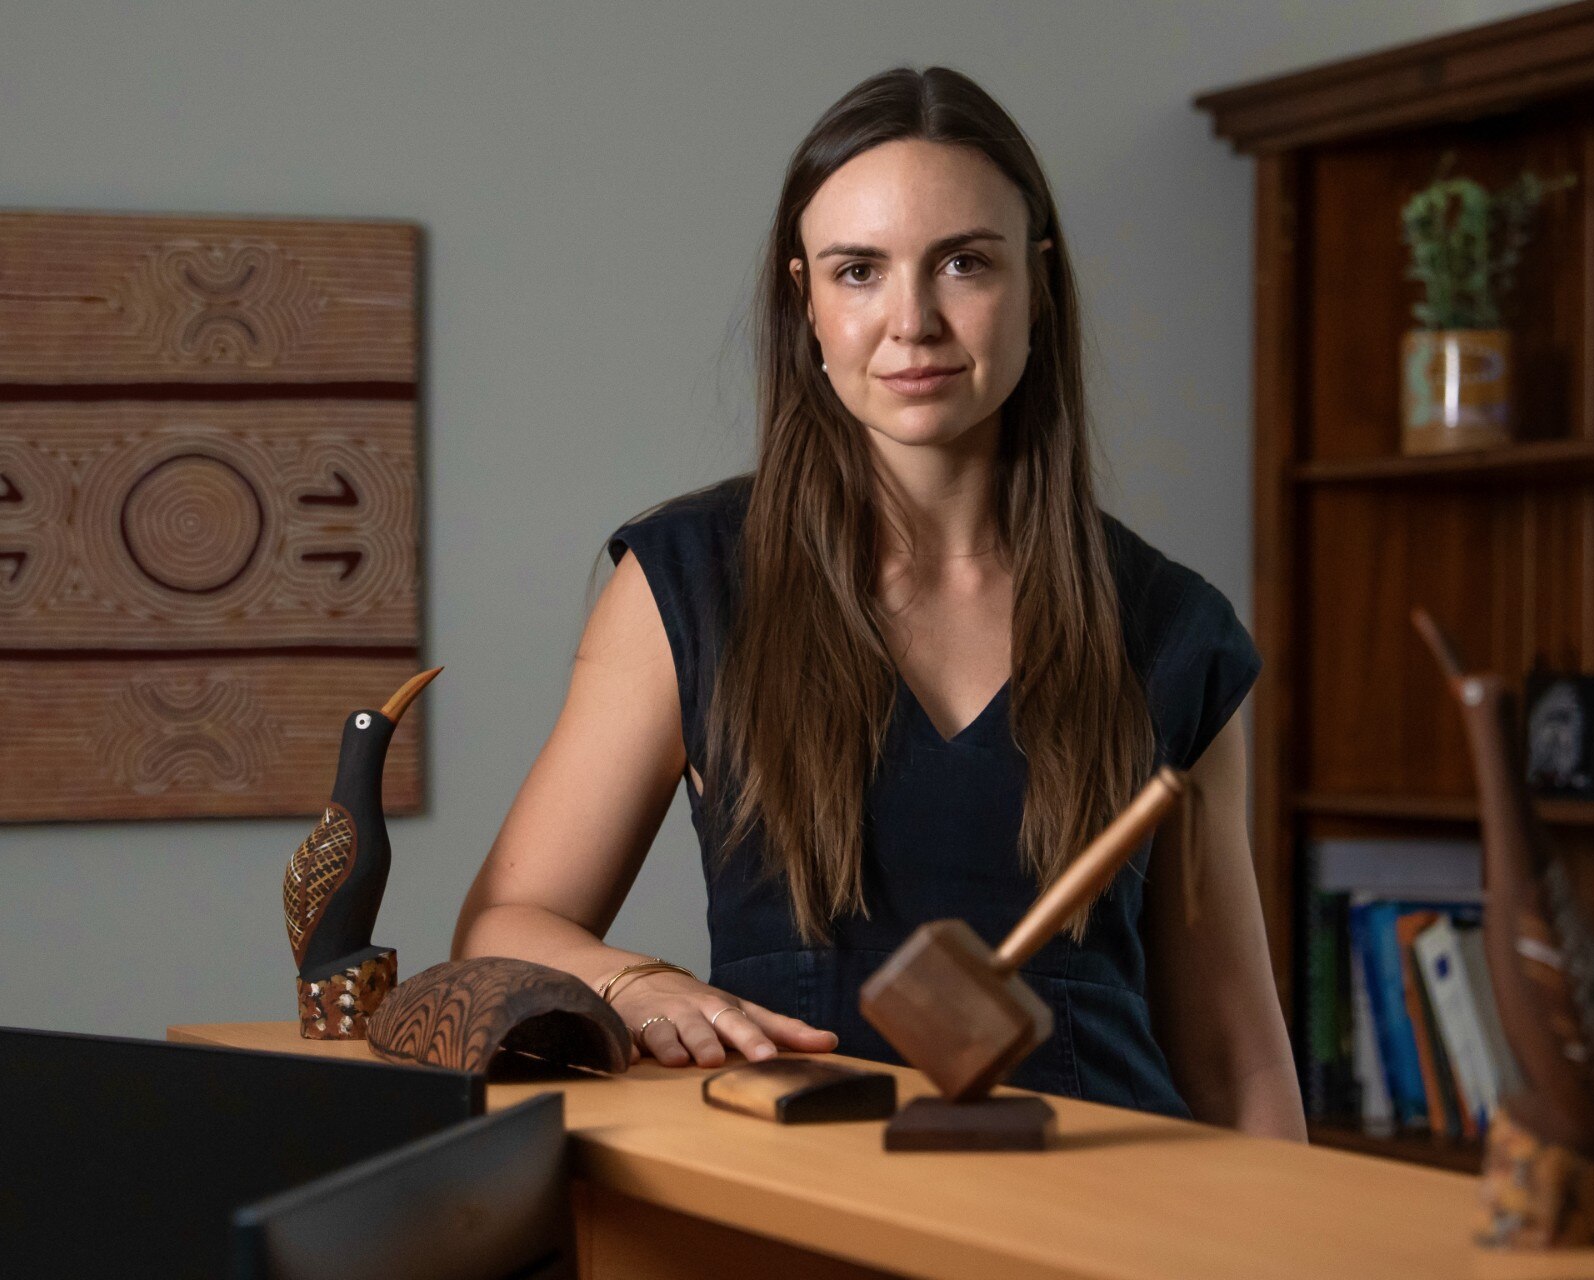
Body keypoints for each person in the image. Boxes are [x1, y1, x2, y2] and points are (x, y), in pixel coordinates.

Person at [452, 65, 1307, 1140]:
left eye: (963, 263)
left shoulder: (1176, 628)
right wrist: (636, 983)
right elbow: (501, 929)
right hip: (799, 1202)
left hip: (1113, 1204)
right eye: (859, 271)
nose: (913, 321)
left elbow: (1237, 1062)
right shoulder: (688, 581)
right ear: (804, 299)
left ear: (1038, 283)